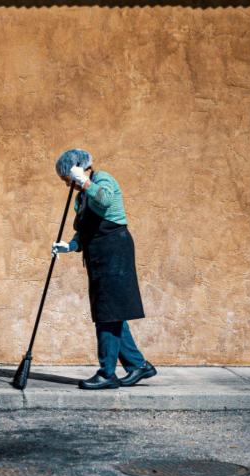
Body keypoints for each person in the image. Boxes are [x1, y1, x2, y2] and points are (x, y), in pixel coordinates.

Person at [51, 149, 157, 390]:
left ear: (76, 170)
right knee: (112, 312)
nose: (68, 184)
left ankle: (107, 373)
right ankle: (138, 365)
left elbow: (106, 199)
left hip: (114, 251)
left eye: (66, 179)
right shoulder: (81, 198)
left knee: (107, 313)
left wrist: (85, 181)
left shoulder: (102, 179)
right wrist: (70, 245)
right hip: (98, 255)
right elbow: (85, 229)